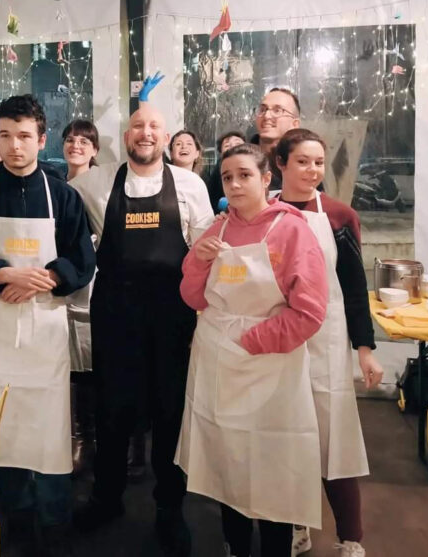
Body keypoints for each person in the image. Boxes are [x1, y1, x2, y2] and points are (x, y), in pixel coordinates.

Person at [0, 94, 95, 557]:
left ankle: (55, 524)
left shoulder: (64, 195)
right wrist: (2, 274)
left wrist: (44, 279)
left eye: (23, 136)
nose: (13, 146)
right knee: (2, 433)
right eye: (3, 136)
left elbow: (83, 260)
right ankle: (17, 519)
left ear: (41, 139)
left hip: (44, 333)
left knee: (47, 436)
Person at [71, 104, 214, 557]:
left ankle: (169, 509)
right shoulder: (94, 183)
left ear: (166, 135)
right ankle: (106, 499)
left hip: (172, 317)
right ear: (126, 135)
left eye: (153, 126)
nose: (145, 133)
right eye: (137, 126)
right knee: (111, 412)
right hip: (115, 315)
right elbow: (49, 203)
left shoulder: (190, 185)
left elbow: (206, 253)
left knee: (170, 415)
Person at [176, 143, 329, 557]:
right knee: (230, 465)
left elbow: (310, 313)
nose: (235, 183)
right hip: (219, 368)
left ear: (266, 179)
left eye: (245, 174)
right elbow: (192, 297)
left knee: (273, 469)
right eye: (228, 177)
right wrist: (198, 261)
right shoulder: (217, 229)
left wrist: (251, 341)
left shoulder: (292, 230)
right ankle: (235, 547)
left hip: (271, 371)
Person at [276, 129, 383, 557]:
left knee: (332, 439)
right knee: (285, 439)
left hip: (326, 340)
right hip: (279, 342)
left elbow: (355, 288)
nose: (313, 170)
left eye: (318, 162)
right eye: (302, 161)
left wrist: (365, 349)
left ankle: (350, 538)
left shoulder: (338, 215)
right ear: (280, 164)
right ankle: (296, 526)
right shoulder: (264, 213)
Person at [62, 118, 99, 477]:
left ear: (95, 150)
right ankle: (80, 440)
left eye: (84, 141)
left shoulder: (103, 187)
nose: (76, 146)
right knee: (72, 366)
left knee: (96, 364)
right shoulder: (54, 184)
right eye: (70, 140)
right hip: (61, 285)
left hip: (97, 285)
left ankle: (99, 441)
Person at [206, 131, 247, 213]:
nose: (232, 147)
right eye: (227, 146)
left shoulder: (257, 168)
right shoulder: (216, 175)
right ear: (221, 154)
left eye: (237, 143)